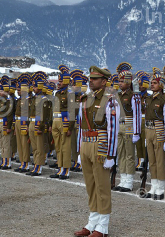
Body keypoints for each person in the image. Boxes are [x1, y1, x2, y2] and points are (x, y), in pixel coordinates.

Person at [73, 66, 119, 237]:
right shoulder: (86, 98)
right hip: (85, 143)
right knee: (90, 185)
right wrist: (79, 150)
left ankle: (103, 226)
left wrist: (111, 155)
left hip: (100, 145)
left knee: (102, 186)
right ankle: (92, 221)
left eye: (94, 78)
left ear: (104, 82)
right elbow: (81, 125)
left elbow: (113, 129)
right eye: (90, 78)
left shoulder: (110, 100)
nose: (90, 81)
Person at [142, 67, 165, 200]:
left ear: (160, 85)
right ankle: (153, 185)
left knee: (160, 160)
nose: (151, 84)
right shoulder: (148, 99)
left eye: (154, 83)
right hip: (148, 130)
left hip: (159, 131)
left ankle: (160, 187)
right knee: (152, 160)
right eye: (152, 82)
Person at [112, 62, 141, 192]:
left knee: (129, 154)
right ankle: (122, 179)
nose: (120, 83)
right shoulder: (118, 95)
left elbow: (137, 114)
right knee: (121, 153)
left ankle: (129, 181)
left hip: (129, 124)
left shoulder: (134, 96)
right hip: (119, 124)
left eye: (122, 81)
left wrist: (137, 132)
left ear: (128, 82)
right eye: (119, 81)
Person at [50, 65, 74, 179]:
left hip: (64, 122)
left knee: (65, 147)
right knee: (58, 147)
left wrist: (70, 127)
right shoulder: (57, 93)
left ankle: (66, 170)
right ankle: (60, 168)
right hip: (56, 121)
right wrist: (51, 124)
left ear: (66, 81)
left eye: (60, 81)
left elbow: (72, 111)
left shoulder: (69, 94)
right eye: (58, 81)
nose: (58, 83)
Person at [27, 71, 49, 176]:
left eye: (35, 87)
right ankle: (35, 165)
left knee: (39, 147)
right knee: (34, 147)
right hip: (31, 123)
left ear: (39, 87)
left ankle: (38, 167)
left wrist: (40, 126)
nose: (33, 88)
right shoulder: (34, 98)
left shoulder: (43, 99)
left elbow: (43, 115)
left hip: (37, 123)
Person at [0, 76, 15, 170]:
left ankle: (8, 163)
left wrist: (8, 126)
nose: (0, 93)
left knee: (6, 144)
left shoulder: (9, 101)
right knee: (2, 144)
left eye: (2, 91)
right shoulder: (0, 101)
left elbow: (9, 115)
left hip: (5, 124)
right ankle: (3, 161)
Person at [14, 73, 32, 173]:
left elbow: (29, 113)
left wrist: (27, 125)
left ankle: (26, 164)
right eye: (17, 89)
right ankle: (22, 163)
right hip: (17, 121)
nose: (18, 91)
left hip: (24, 122)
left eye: (19, 90)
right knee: (20, 144)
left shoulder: (28, 100)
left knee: (25, 144)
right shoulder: (19, 99)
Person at [134, 71, 150, 171]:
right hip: (137, 119)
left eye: (141, 84)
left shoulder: (148, 97)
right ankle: (140, 161)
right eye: (139, 84)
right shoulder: (136, 96)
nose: (139, 86)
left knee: (145, 142)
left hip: (145, 119)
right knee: (138, 142)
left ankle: (146, 162)